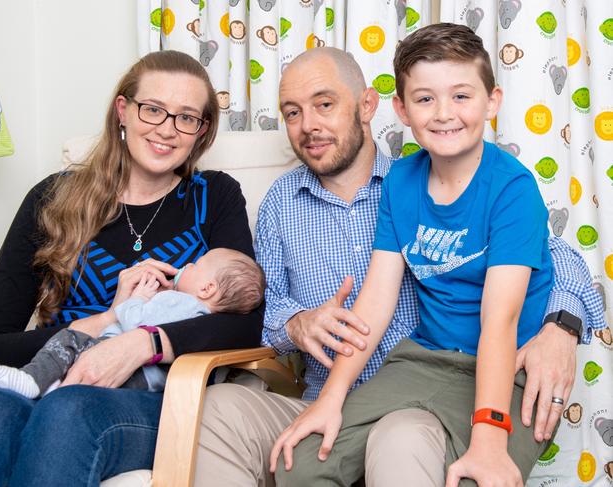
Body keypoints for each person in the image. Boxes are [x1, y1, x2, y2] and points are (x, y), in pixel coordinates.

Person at [194, 46, 605, 486]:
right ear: (403, 109)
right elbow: (370, 301)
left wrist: (561, 324)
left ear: (369, 106)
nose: (309, 124)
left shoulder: (506, 188)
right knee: (299, 463)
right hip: (407, 369)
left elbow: (544, 266)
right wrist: (299, 333)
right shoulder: (374, 187)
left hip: (475, 376)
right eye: (292, 112)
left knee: (404, 440)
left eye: (325, 104)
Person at [0, 50, 263, 486]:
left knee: (69, 412)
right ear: (122, 111)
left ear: (201, 131)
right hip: (50, 378)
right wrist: (105, 322)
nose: (166, 129)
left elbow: (248, 323)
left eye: (186, 117)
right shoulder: (52, 198)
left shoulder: (213, 196)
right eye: (153, 109)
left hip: (155, 397)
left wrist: (142, 344)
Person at [0, 248, 265, 398]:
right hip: (149, 381)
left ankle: (34, 378)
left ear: (207, 289)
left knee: (69, 339)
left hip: (131, 371)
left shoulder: (181, 302)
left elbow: (136, 321)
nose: (188, 265)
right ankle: (47, 387)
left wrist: (134, 299)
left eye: (197, 265)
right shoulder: (199, 314)